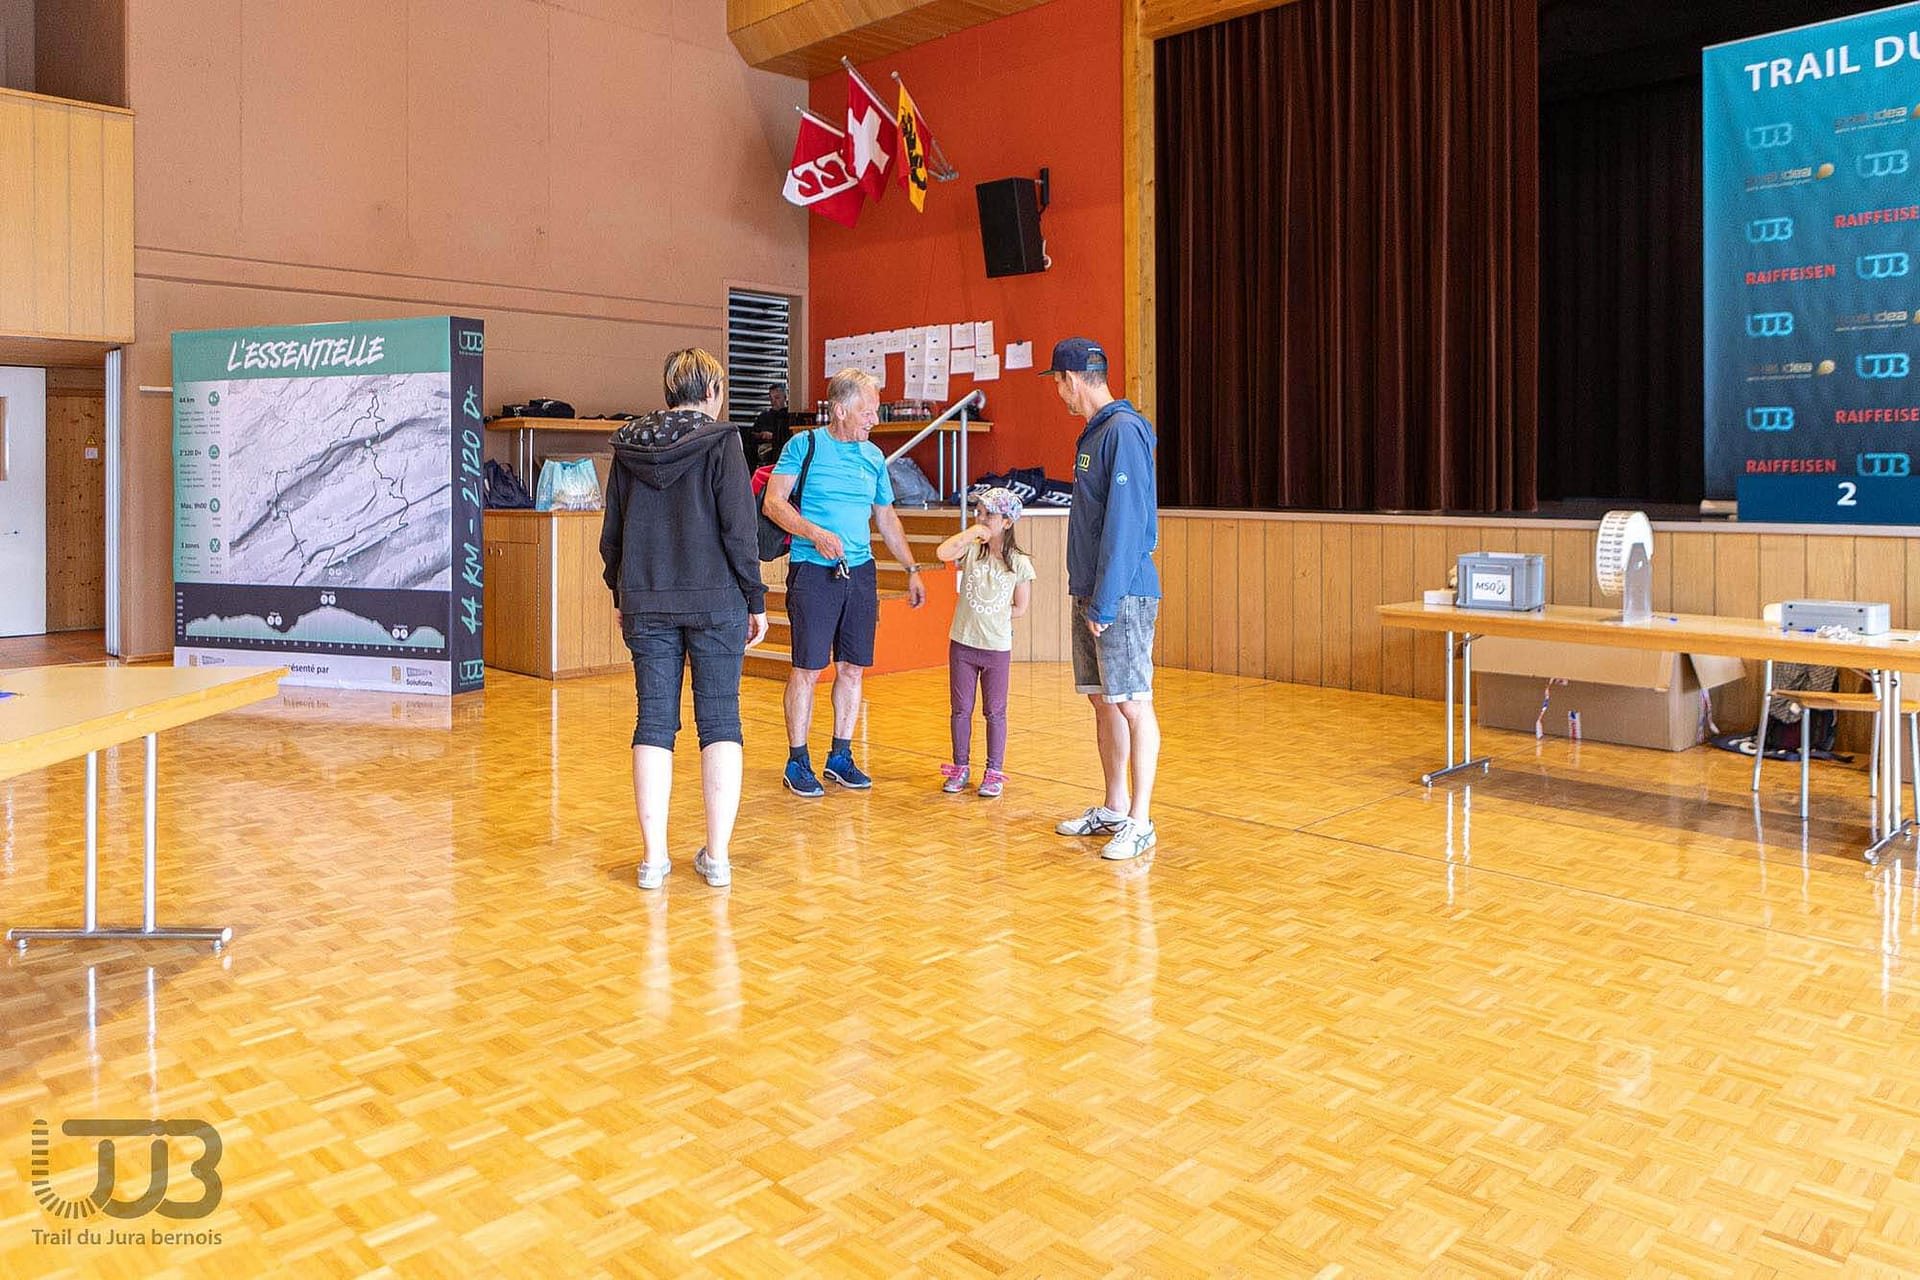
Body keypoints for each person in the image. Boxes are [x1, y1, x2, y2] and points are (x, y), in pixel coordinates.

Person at [601, 348, 770, 890]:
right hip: (717, 602)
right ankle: (717, 857)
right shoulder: (722, 442)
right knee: (720, 721)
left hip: (647, 599)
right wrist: (756, 598)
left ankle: (653, 860)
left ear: (669, 390)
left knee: (653, 722)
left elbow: (612, 532)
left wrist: (620, 590)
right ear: (713, 391)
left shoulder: (628, 446)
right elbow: (740, 531)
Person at [761, 367, 926, 796]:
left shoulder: (873, 457)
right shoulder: (805, 446)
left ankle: (840, 756)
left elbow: (886, 518)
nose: (874, 419)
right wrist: (815, 533)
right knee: (807, 669)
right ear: (839, 410)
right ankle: (797, 761)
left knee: (852, 668)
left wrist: (911, 569)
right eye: (866, 411)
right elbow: (773, 503)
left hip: (860, 572)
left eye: (875, 411)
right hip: (812, 571)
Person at [1041, 337, 1163, 861]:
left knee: (1133, 702)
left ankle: (1141, 819)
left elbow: (1128, 523)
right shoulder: (1094, 433)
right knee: (1102, 698)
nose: (1058, 394)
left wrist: (1106, 602)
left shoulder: (1124, 431)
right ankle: (1114, 808)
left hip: (1122, 595)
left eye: (1057, 383)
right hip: (1092, 591)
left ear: (1070, 379)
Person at [934, 487, 1035, 797]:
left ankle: (993, 771)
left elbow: (1020, 607)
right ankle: (960, 766)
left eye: (988, 514)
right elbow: (943, 553)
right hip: (963, 644)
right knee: (960, 709)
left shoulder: (1019, 562)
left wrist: (995, 615)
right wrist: (971, 532)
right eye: (978, 512)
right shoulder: (972, 551)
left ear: (1007, 522)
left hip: (996, 648)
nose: (981, 519)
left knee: (995, 711)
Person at [749, 382, 795, 469]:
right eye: (771, 398)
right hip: (764, 449)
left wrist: (773, 437)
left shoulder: (790, 417)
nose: (773, 402)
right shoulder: (764, 416)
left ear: (785, 397)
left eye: (777, 398)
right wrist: (761, 435)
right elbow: (752, 434)